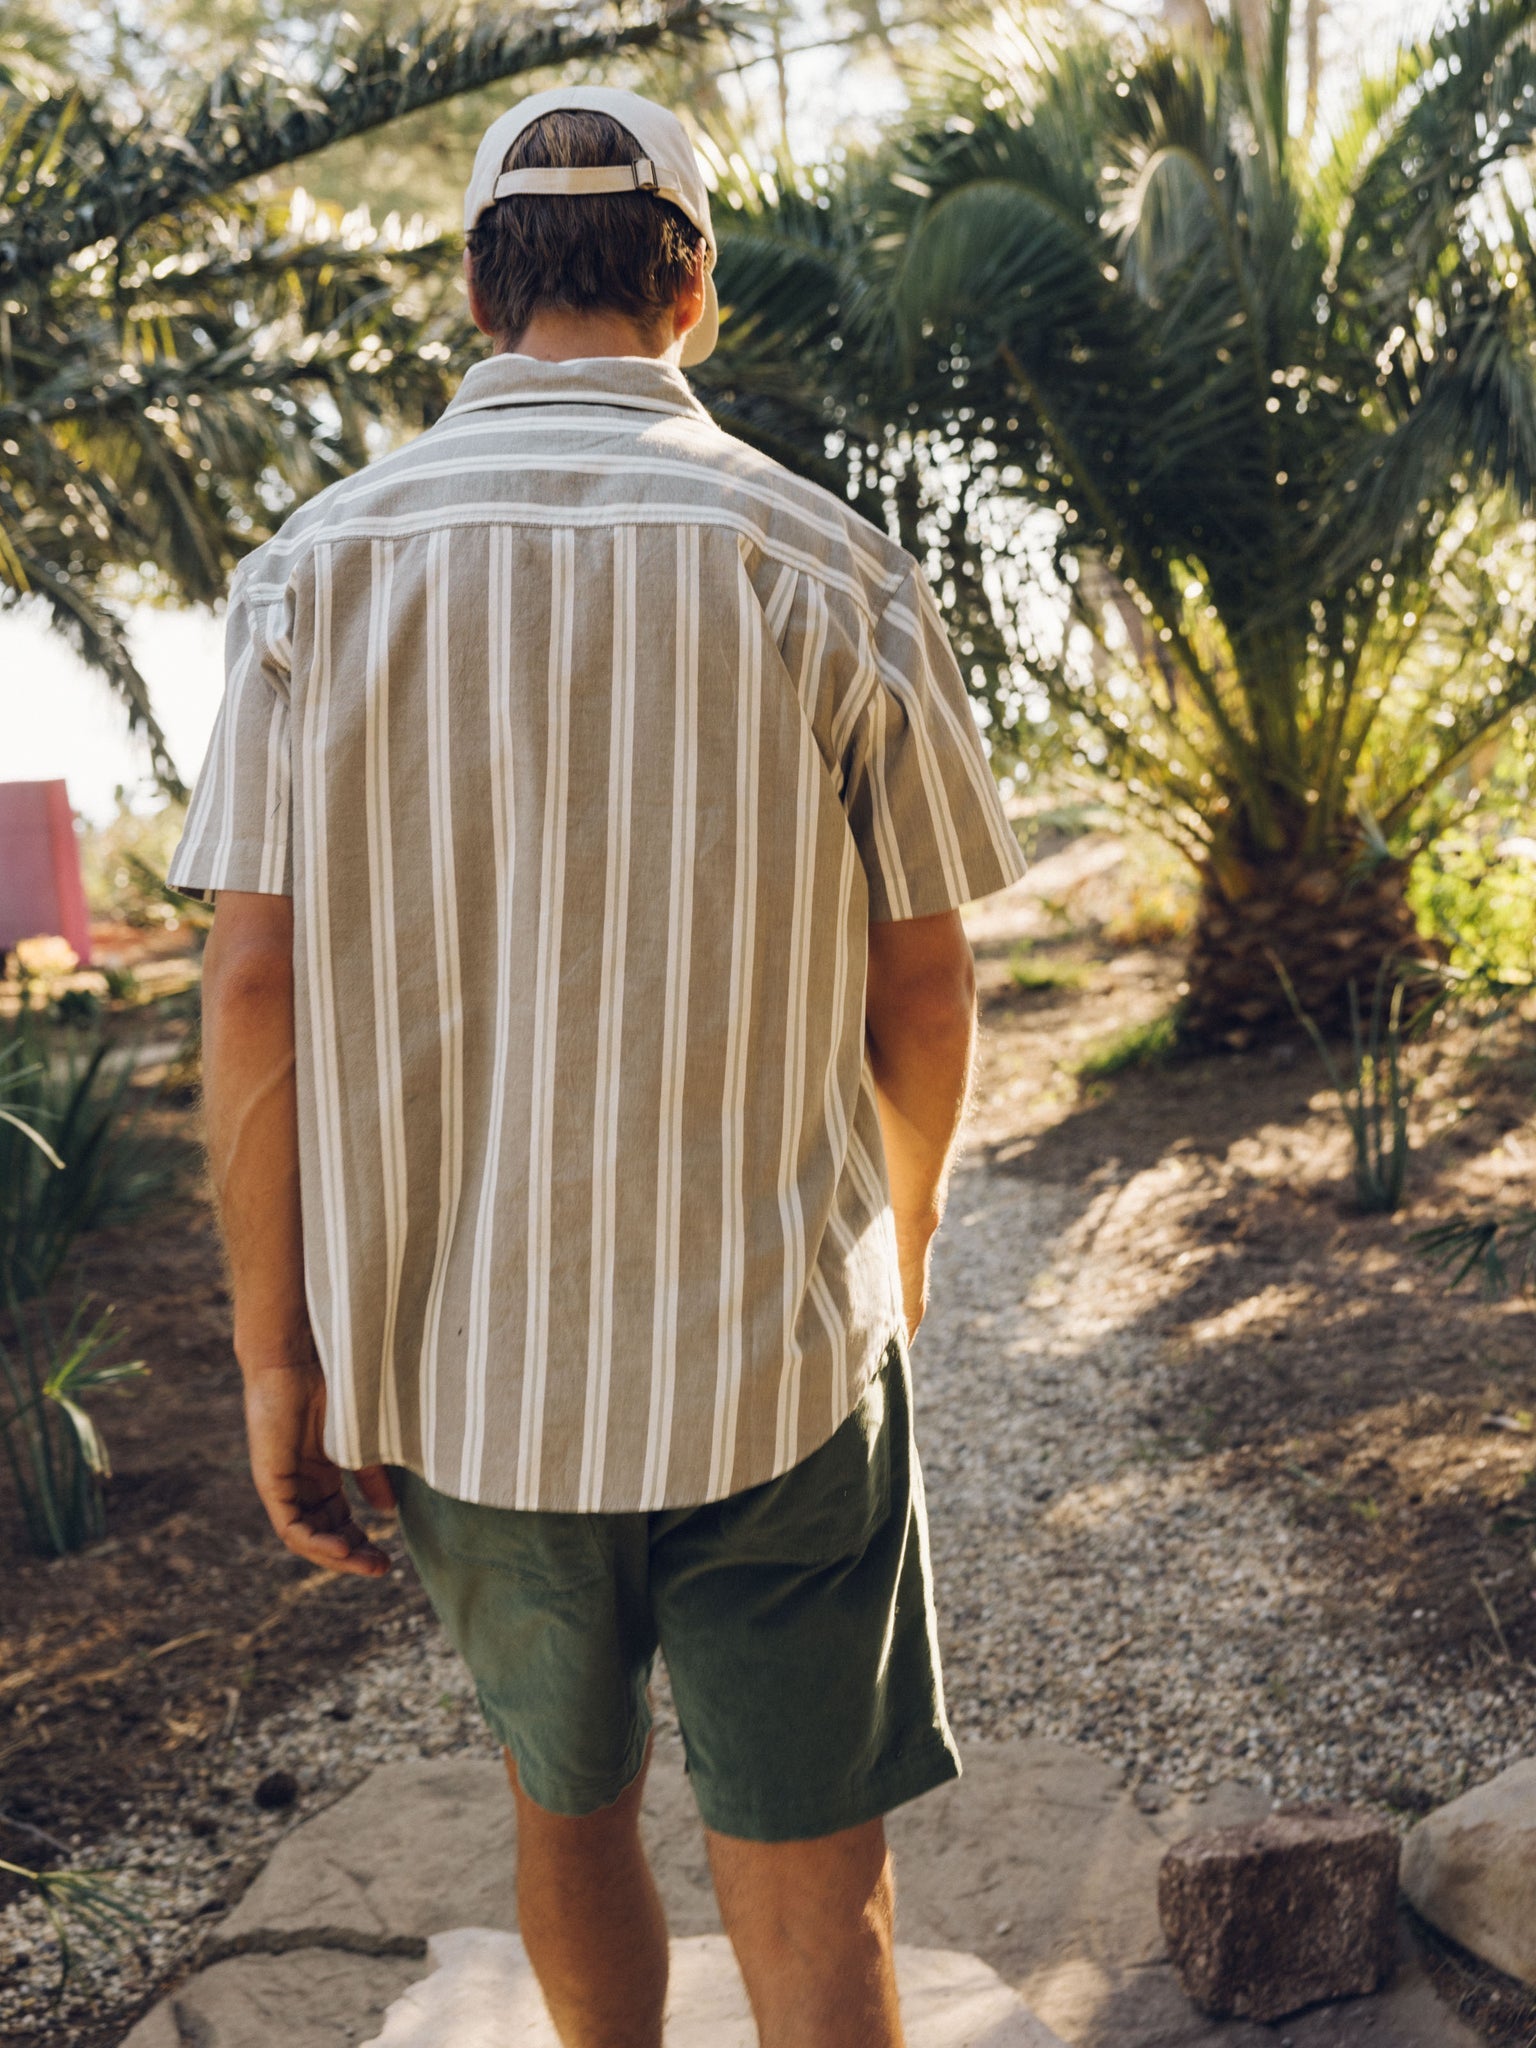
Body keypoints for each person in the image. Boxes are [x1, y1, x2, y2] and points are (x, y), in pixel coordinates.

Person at [171, 84, 1025, 2048]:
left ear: (477, 286)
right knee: (822, 1874)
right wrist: (891, 1252)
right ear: (696, 288)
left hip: (464, 1370)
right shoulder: (835, 567)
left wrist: (280, 1350)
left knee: (567, 1797)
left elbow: (249, 992)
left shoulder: (317, 572)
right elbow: (927, 984)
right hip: (783, 1357)